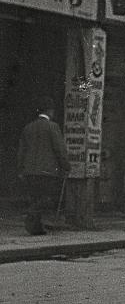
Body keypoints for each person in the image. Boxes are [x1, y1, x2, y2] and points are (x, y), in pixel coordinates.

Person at [17, 96, 71, 235]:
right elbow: (59, 149)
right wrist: (66, 165)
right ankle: (31, 215)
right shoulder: (53, 127)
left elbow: (21, 150)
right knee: (47, 199)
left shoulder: (28, 127)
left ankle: (36, 227)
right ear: (50, 111)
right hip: (47, 171)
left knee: (35, 197)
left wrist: (21, 169)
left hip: (29, 171)